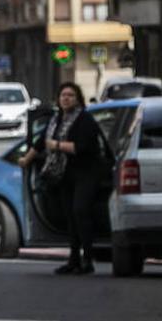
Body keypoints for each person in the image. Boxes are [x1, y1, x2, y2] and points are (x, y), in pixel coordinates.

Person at [19, 82, 105, 275]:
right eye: (63, 95)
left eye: (71, 95)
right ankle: (73, 259)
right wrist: (26, 160)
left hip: (85, 173)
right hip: (64, 175)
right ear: (58, 99)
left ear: (78, 99)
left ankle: (88, 259)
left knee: (80, 212)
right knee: (70, 217)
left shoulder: (85, 120)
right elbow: (40, 143)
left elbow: (81, 147)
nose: (66, 98)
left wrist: (57, 145)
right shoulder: (55, 120)